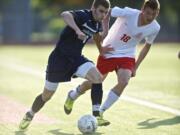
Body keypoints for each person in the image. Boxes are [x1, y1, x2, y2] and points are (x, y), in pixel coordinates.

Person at [64, 0, 161, 126]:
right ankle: (73, 95)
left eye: (154, 14)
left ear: (157, 13)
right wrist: (105, 30)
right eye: (148, 13)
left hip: (127, 55)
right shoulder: (129, 13)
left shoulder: (155, 27)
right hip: (109, 50)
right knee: (95, 82)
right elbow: (109, 11)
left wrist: (135, 67)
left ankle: (101, 112)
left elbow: (147, 46)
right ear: (143, 9)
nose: (150, 17)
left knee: (124, 81)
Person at [19, 0, 111, 130]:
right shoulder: (84, 15)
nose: (103, 15)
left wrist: (101, 48)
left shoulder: (98, 23)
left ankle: (96, 115)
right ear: (93, 8)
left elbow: (96, 36)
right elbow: (65, 14)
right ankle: (30, 114)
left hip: (76, 59)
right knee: (46, 96)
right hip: (59, 60)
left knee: (97, 78)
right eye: (101, 11)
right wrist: (77, 30)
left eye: (106, 13)